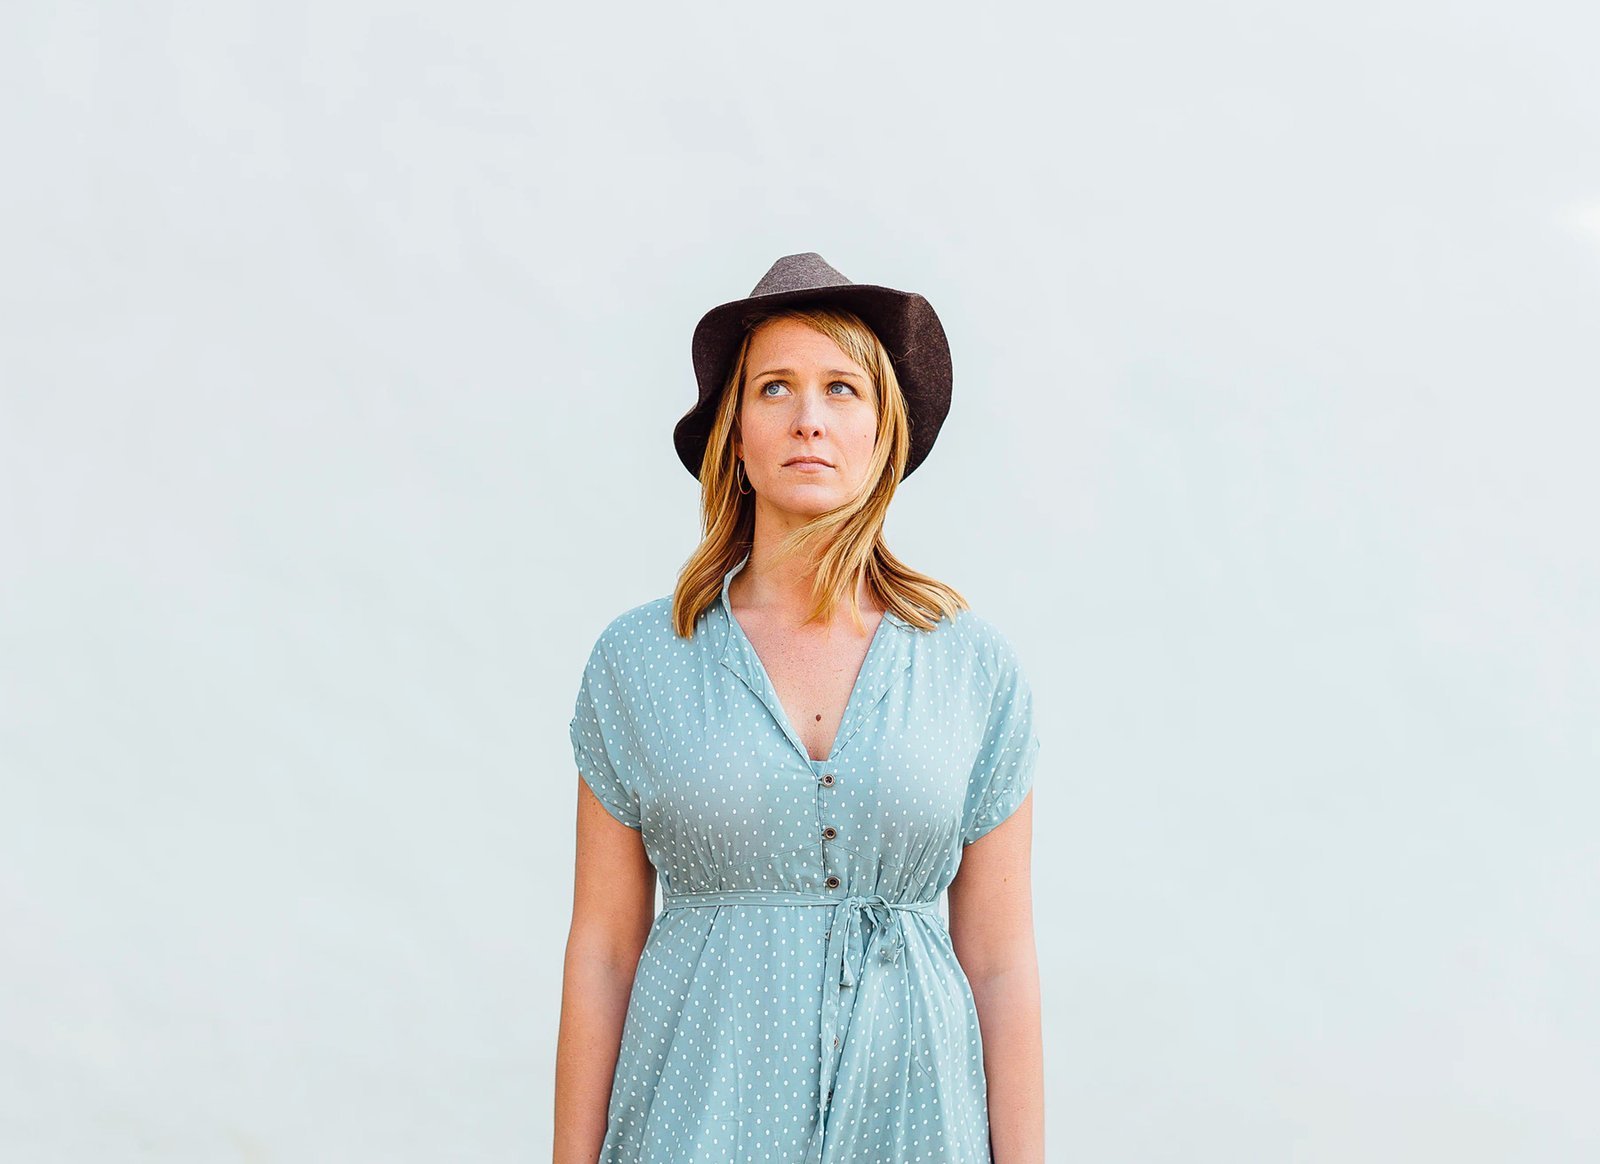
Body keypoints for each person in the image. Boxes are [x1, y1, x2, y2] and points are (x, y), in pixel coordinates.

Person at [553, 252, 1044, 1163]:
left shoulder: (972, 669)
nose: (808, 419)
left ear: (884, 433)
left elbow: (1002, 962)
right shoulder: (640, 660)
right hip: (699, 1121)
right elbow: (604, 950)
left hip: (915, 1123)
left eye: (841, 389)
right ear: (734, 435)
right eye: (774, 388)